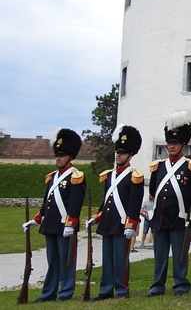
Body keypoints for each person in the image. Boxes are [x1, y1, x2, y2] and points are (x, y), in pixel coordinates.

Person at [144, 111, 191, 297]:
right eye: (170, 143)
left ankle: (181, 285)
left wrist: (189, 206)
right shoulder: (159, 167)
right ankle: (157, 286)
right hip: (160, 219)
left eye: (175, 144)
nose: (171, 147)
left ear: (183, 146)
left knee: (180, 255)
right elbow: (153, 189)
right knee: (160, 255)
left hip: (179, 218)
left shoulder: (190, 166)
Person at [22, 129, 86, 302]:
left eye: (62, 155)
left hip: (65, 225)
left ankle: (65, 292)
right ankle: (48, 293)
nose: (58, 158)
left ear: (70, 157)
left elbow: (75, 203)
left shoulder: (76, 176)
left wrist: (70, 224)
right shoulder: (52, 178)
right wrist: (36, 220)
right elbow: (46, 204)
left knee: (66, 261)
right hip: (50, 225)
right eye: (57, 155)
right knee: (53, 262)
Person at [87, 125, 145, 300]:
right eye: (117, 152)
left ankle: (121, 289)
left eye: (122, 152)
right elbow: (105, 201)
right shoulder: (110, 176)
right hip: (108, 222)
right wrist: (97, 217)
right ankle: (106, 289)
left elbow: (134, 203)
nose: (118, 155)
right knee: (107, 259)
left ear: (130, 155)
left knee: (120, 259)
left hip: (122, 223)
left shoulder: (134, 176)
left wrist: (131, 225)